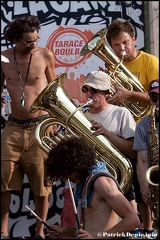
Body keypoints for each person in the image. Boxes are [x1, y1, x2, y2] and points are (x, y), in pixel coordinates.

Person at [1, 15, 56, 239]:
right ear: (15, 39)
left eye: (36, 40)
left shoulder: (45, 55)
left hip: (40, 127)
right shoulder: (3, 59)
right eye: (28, 42)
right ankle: (3, 230)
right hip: (13, 126)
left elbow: (55, 91)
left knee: (42, 184)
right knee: (3, 179)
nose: (34, 45)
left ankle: (40, 232)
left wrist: (53, 122)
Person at [45, 136, 140, 239]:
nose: (65, 179)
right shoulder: (85, 183)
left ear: (76, 165)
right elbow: (90, 228)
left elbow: (133, 220)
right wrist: (65, 231)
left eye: (66, 173)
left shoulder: (102, 182)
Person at [103, 19, 159, 123]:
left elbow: (157, 97)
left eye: (125, 42)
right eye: (116, 45)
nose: (122, 48)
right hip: (122, 124)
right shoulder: (113, 65)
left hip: (149, 122)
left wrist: (129, 94)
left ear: (133, 39)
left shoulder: (151, 61)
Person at [132, 79, 159, 239]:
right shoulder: (144, 125)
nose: (157, 102)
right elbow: (142, 161)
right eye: (154, 98)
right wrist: (144, 188)